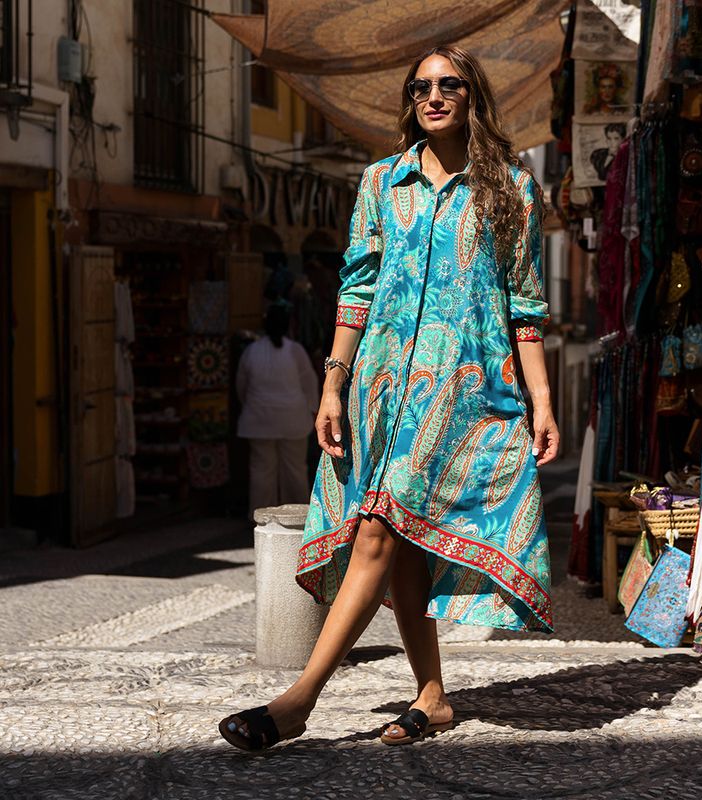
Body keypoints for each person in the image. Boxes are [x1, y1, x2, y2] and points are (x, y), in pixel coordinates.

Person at [219, 44, 559, 752]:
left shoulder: (510, 189)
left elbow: (524, 305)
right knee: (397, 540)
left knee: (377, 529)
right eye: (420, 87)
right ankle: (432, 699)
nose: (432, 96)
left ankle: (297, 703)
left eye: (448, 85)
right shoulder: (381, 183)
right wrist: (333, 384)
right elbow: (358, 288)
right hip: (380, 391)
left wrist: (543, 402)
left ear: (473, 95)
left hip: (462, 398)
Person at [235, 302, 318, 518]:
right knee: (295, 470)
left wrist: (251, 407)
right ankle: (298, 519)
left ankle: (260, 517)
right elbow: (310, 383)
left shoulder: (252, 351)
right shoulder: (295, 350)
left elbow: (241, 387)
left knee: (261, 472)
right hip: (293, 420)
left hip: (259, 420)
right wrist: (312, 409)